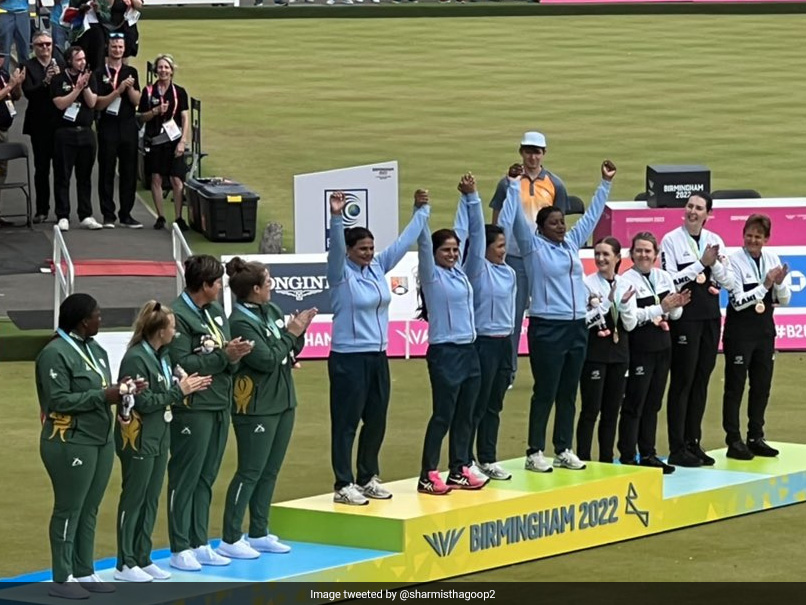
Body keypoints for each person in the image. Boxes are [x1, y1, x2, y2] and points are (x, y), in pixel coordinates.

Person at [499, 160, 616, 473]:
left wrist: (605, 183)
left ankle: (563, 448)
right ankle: (534, 450)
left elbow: (591, 218)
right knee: (546, 391)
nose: (561, 226)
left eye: (562, 221)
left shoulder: (571, 244)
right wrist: (513, 186)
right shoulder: (532, 246)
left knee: (568, 392)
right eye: (554, 223)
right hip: (547, 327)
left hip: (576, 327)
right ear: (541, 227)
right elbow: (511, 222)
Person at [326, 189, 431, 505]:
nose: (369, 253)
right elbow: (334, 250)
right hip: (348, 357)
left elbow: (403, 242)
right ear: (348, 250)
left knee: (376, 419)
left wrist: (421, 210)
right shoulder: (339, 272)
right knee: (346, 424)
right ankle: (343, 483)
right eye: (362, 249)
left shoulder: (376, 267)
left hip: (377, 356)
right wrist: (336, 216)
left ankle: (367, 477)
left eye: (371, 248)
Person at [36, 293, 141, 598]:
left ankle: (84, 569)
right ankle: (61, 577)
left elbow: (101, 390)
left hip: (100, 438)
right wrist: (104, 395)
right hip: (69, 440)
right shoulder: (54, 354)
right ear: (83, 321)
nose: (101, 319)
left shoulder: (96, 350)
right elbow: (58, 400)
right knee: (69, 508)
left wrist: (123, 392)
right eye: (97, 314)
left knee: (90, 508)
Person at [218, 258, 316, 557]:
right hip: (256, 407)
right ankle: (230, 538)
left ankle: (259, 531)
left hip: (284, 400)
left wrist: (299, 332)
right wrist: (291, 333)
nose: (273, 286)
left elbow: (289, 350)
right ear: (255, 289)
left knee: (270, 471)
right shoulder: (240, 321)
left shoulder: (271, 310)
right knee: (250, 470)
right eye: (269, 282)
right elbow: (265, 360)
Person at [166, 255, 254, 571]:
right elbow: (182, 364)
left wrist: (235, 354)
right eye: (218, 283)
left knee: (206, 477)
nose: (221, 288)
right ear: (205, 285)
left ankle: (199, 542)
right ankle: (179, 547)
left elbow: (223, 353)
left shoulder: (216, 312)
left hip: (219, 402)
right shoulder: (176, 316)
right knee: (184, 477)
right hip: (192, 407)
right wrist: (223, 357)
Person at [114, 301, 211, 582]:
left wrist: (178, 385)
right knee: (134, 499)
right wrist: (178, 391)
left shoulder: (163, 356)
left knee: (150, 499)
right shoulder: (135, 358)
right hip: (139, 437)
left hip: (159, 435)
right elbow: (142, 402)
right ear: (159, 331)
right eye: (172, 327)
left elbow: (164, 390)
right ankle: (124, 563)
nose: (176, 332)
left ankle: (142, 558)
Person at [416, 189, 488, 495]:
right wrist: (421, 210)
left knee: (466, 414)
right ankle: (428, 473)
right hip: (445, 352)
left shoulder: (459, 273)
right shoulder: (431, 275)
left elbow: (469, 232)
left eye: (455, 250)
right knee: (443, 415)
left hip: (469, 350)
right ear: (433, 253)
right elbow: (422, 241)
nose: (452, 254)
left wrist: (469, 198)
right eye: (446, 250)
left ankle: (459, 468)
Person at [490, 131, 569, 385]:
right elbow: (497, 220)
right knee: (511, 317)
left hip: (544, 258)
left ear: (543, 153)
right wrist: (495, 253)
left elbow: (559, 224)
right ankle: (508, 372)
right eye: (528, 151)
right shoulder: (507, 183)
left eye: (537, 151)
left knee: (548, 315)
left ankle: (548, 371)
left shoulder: (555, 184)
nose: (532, 156)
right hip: (514, 256)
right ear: (521, 152)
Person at [661, 193, 733, 467]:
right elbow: (671, 280)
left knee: (702, 380)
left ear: (707, 213)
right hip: (685, 318)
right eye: (690, 206)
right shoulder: (671, 240)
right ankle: (677, 446)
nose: (692, 211)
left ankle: (693, 442)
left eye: (698, 208)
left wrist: (712, 263)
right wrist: (701, 264)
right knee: (682, 380)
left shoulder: (715, 241)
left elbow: (727, 280)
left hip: (710, 317)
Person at [454, 173, 516, 481]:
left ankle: (488, 457)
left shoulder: (509, 273)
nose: (503, 250)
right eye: (499, 246)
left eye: (505, 245)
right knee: (475, 406)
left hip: (504, 343)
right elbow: (475, 233)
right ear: (486, 248)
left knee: (494, 404)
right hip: (482, 344)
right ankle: (466, 460)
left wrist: (514, 188)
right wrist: (472, 198)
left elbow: (510, 216)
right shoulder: (476, 270)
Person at [617, 233, 690, 474]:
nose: (643, 255)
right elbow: (631, 318)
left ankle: (648, 453)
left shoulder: (663, 277)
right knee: (635, 402)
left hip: (662, 347)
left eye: (648, 251)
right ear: (631, 254)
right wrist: (661, 307)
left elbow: (675, 316)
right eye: (638, 250)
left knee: (653, 403)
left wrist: (677, 305)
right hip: (639, 348)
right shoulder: (626, 281)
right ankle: (628, 455)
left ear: (656, 255)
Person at [722, 214, 791, 460]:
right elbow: (738, 302)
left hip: (764, 332)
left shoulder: (772, 258)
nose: (753, 240)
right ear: (743, 235)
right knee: (735, 387)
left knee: (761, 386)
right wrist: (765, 284)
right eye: (749, 235)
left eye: (758, 236)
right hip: (739, 332)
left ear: (766, 239)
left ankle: (755, 436)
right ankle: (733, 440)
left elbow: (784, 299)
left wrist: (779, 284)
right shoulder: (733, 261)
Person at [575, 237, 637, 463]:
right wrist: (607, 303)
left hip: (620, 353)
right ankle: (582, 458)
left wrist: (624, 305)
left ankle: (606, 459)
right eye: (597, 254)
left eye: (606, 255)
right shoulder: (587, 284)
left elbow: (630, 324)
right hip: (595, 353)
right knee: (591, 410)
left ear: (617, 258)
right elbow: (584, 320)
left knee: (612, 411)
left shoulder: (626, 284)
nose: (600, 259)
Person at [51, 45, 101, 232]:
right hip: (65, 132)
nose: (82, 62)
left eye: (84, 59)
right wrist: (76, 89)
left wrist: (85, 85)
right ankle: (63, 215)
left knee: (85, 176)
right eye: (78, 59)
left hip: (86, 132)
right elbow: (60, 104)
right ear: (70, 61)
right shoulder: (59, 79)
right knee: (63, 175)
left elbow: (92, 102)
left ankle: (85, 214)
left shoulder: (90, 77)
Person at [94, 33, 141, 228]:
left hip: (128, 125)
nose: (117, 50)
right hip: (108, 125)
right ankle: (108, 214)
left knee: (129, 170)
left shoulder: (131, 71)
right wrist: (118, 89)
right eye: (114, 47)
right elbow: (98, 104)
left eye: (120, 47)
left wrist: (129, 89)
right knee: (106, 170)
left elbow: (137, 101)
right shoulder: (99, 73)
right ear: (108, 48)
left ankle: (126, 213)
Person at [138, 54, 190, 231]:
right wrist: (155, 111)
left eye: (166, 67)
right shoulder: (148, 91)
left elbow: (185, 117)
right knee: (156, 178)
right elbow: (142, 117)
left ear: (172, 70)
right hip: (155, 140)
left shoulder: (179, 92)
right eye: (160, 67)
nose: (163, 70)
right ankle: (160, 216)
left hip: (174, 140)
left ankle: (178, 218)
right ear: (155, 70)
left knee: (177, 179)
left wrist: (183, 141)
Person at [23, 31, 63, 224]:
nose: (45, 48)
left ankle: (62, 210)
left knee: (61, 168)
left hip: (60, 123)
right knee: (41, 168)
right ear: (34, 47)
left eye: (48, 44)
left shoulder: (61, 64)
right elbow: (29, 93)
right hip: (39, 124)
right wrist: (46, 81)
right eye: (40, 45)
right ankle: (42, 209)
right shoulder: (28, 66)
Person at [0, 52, 24, 226]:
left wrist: (17, 84)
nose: (1, 59)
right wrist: (10, 86)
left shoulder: (3, 74)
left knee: (1, 173)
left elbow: (15, 96)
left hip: (4, 130)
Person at [0, 0, 30, 66]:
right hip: (5, 12)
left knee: (24, 50)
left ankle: (26, 74)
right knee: (4, 51)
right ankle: (4, 75)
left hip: (23, 12)